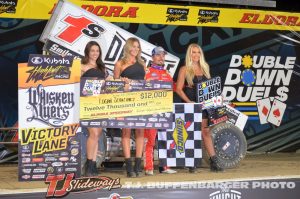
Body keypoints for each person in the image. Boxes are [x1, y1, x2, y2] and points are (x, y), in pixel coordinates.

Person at [176, 43, 223, 172]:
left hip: (204, 106)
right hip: (190, 105)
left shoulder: (205, 68)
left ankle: (214, 161)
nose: (196, 55)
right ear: (189, 54)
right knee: (192, 133)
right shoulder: (184, 69)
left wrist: (217, 98)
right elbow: (178, 89)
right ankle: (192, 163)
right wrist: (188, 102)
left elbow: (210, 88)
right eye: (193, 52)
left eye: (198, 52)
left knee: (205, 132)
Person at [114, 37, 147, 177]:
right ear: (127, 47)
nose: (135, 49)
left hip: (140, 101)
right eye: (133, 46)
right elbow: (113, 85)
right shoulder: (120, 63)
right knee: (126, 132)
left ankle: (138, 165)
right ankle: (128, 167)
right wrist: (121, 81)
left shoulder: (142, 63)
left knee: (140, 132)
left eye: (138, 47)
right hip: (125, 101)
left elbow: (145, 83)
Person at [143, 46, 177, 175]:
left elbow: (172, 90)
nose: (161, 57)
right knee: (150, 140)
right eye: (158, 55)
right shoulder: (147, 72)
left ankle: (164, 167)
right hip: (151, 111)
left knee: (165, 139)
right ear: (152, 57)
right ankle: (149, 167)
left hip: (165, 111)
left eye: (163, 55)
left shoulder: (167, 73)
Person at [81, 41, 107, 176]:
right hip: (88, 104)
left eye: (97, 51)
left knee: (97, 135)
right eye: (92, 50)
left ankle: (92, 165)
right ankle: (89, 164)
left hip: (101, 104)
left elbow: (109, 85)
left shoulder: (102, 68)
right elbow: (77, 85)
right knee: (94, 134)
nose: (95, 53)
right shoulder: (81, 67)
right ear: (87, 52)